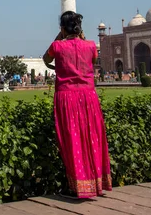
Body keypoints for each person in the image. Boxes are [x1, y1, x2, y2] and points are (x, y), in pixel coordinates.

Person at [43, 11, 112, 198]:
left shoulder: (57, 46)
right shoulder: (90, 45)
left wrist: (61, 36)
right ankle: (97, 183)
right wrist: (80, 37)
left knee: (71, 141)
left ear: (62, 28)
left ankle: (77, 187)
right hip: (89, 98)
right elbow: (93, 61)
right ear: (80, 28)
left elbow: (46, 59)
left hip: (67, 97)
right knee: (93, 138)